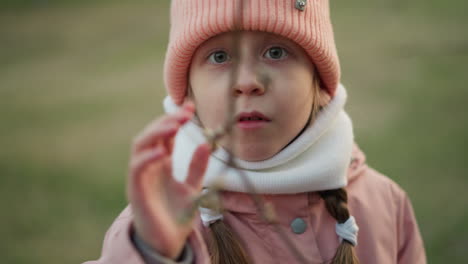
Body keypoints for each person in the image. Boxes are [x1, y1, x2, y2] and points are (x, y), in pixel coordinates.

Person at [84, 0, 426, 263]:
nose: (247, 82)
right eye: (219, 57)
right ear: (188, 93)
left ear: (319, 82)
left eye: (276, 52)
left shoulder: (385, 203)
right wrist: (151, 253)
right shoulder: (155, 226)